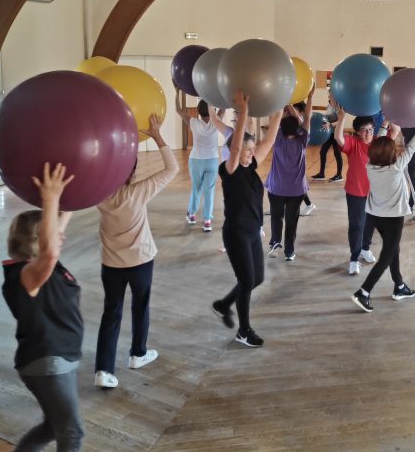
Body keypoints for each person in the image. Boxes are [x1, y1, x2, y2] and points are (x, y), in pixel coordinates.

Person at [1, 163, 83, 452]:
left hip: (59, 358)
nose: (60, 234)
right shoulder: (25, 275)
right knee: (72, 432)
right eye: (50, 232)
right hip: (47, 361)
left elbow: (56, 235)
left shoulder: (45, 266)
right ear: (37, 242)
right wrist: (49, 200)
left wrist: (70, 196)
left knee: (53, 426)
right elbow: (50, 251)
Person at [93, 114, 177, 389]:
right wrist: (157, 136)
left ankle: (103, 371)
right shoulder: (137, 192)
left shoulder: (99, 196)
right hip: (141, 262)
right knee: (140, 307)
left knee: (111, 313)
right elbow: (172, 168)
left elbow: (86, 174)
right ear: (131, 172)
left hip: (111, 265)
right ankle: (138, 354)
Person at [210, 92, 282, 348]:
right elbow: (237, 145)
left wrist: (279, 109)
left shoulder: (251, 167)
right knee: (246, 281)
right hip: (236, 233)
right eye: (246, 150)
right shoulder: (228, 170)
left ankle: (223, 304)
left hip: (253, 231)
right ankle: (244, 330)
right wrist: (243, 111)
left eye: (253, 149)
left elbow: (270, 139)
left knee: (257, 278)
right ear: (233, 152)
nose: (250, 153)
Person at [350, 111, 415, 312]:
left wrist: (385, 125)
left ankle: (399, 286)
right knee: (387, 255)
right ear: (391, 152)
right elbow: (412, 146)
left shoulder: (370, 165)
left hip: (375, 216)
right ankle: (364, 291)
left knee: (392, 248)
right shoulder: (396, 166)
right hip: (393, 218)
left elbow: (377, 143)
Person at [335, 109, 396, 276]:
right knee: (356, 226)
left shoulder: (378, 141)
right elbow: (338, 138)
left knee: (371, 223)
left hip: (375, 193)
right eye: (364, 130)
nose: (368, 133)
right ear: (357, 132)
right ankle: (354, 259)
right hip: (355, 192)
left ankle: (365, 248)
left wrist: (391, 116)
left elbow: (395, 131)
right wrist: (341, 118)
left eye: (370, 129)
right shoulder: (353, 143)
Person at [266, 93, 314, 262]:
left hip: (276, 188)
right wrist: (310, 97)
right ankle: (289, 252)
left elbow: (275, 118)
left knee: (276, 217)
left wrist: (279, 98)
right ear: (297, 129)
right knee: (291, 221)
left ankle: (275, 241)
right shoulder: (302, 140)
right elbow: (306, 118)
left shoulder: (277, 138)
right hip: (296, 191)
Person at [178, 99, 230, 233]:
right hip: (212, 160)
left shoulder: (194, 122)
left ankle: (192, 214)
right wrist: (220, 94)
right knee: (209, 191)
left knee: (196, 188)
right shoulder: (216, 121)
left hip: (196, 160)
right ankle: (207, 221)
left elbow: (178, 110)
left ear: (198, 112)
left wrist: (176, 91)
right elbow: (223, 107)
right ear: (211, 111)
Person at [312, 97, 343, 183]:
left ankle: (339, 175)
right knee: (323, 152)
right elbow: (327, 118)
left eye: (331, 94)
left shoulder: (339, 106)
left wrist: (330, 124)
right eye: (329, 94)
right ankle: (321, 174)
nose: (330, 96)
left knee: (337, 153)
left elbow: (341, 120)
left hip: (337, 133)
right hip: (329, 134)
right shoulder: (329, 105)